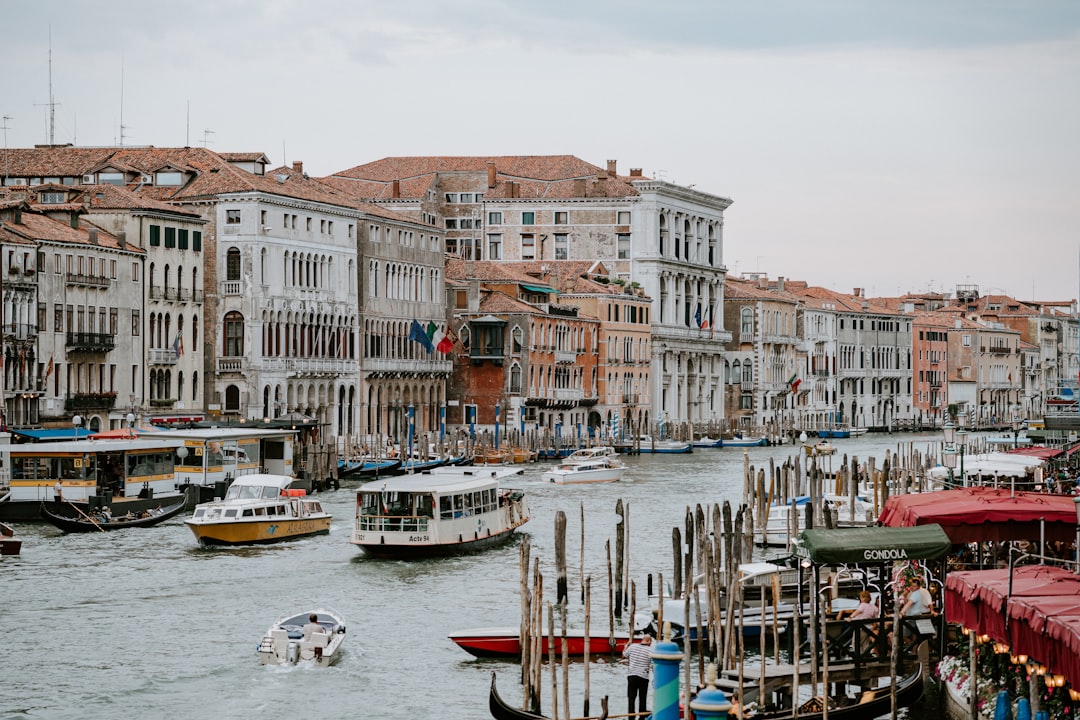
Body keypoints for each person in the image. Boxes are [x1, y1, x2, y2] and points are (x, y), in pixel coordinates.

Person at [622, 633, 652, 716]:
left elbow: (623, 655)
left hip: (632, 675)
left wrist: (626, 646)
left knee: (631, 698)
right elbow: (654, 665)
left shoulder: (632, 646)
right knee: (642, 698)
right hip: (643, 677)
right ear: (649, 642)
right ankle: (642, 716)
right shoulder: (650, 650)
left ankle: (631, 716)